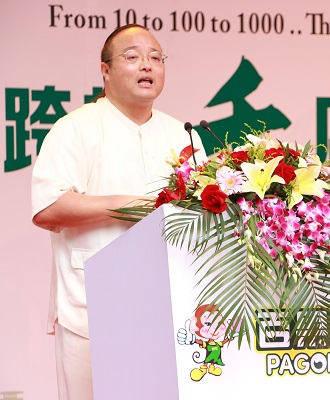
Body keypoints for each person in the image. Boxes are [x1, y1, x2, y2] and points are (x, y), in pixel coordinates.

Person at [31, 24, 206, 400]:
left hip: (167, 309)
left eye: (156, 57)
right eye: (133, 57)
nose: (147, 65)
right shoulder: (75, 128)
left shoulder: (184, 136)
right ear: (105, 70)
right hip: (90, 307)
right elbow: (48, 207)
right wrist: (133, 206)